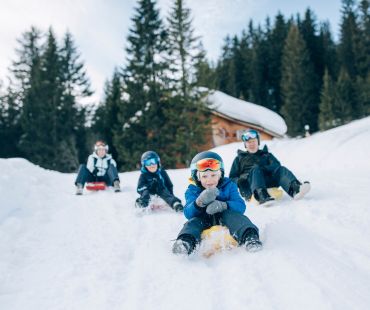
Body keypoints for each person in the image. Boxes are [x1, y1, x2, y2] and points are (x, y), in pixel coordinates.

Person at [172, 151, 262, 255]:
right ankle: (185, 242)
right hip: (203, 219)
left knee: (236, 217)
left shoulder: (229, 186)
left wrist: (224, 205)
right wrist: (199, 203)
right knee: (193, 223)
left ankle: (250, 237)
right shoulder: (192, 190)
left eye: (213, 175)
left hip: (226, 218)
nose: (209, 180)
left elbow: (240, 206)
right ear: (198, 178)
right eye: (204, 176)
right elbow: (188, 213)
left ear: (220, 175)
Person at [229, 129, 310, 205]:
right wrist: (241, 179)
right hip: (250, 187)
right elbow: (232, 178)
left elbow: (277, 166)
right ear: (245, 145)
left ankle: (295, 189)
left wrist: (264, 168)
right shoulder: (239, 159)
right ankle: (261, 196)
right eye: (249, 142)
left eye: (253, 141)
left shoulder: (266, 155)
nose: (251, 144)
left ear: (258, 142)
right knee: (256, 169)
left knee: (281, 169)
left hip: (268, 182)